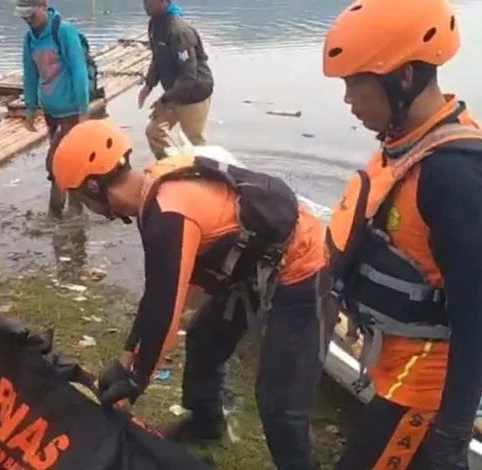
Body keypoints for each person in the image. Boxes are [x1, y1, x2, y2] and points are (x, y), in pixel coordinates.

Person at [51, 119, 333, 469]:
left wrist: (136, 381)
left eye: (80, 197)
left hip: (301, 265)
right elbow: (158, 294)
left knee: (280, 403)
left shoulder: (168, 214)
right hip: (251, 268)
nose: (87, 208)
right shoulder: (150, 192)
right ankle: (208, 423)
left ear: (93, 187)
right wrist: (124, 360)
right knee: (204, 338)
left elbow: (166, 315)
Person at [322, 0, 482, 468]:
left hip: (427, 383)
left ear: (404, 77)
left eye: (357, 85)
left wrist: (452, 433)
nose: (350, 101)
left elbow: (477, 313)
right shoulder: (405, 146)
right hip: (394, 363)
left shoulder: (453, 177)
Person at [18, 0, 90, 219]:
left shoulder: (64, 31)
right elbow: (30, 74)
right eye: (24, 16)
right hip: (51, 111)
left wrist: (83, 110)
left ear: (44, 6)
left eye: (31, 15)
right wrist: (30, 109)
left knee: (56, 161)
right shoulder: (30, 38)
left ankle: (57, 214)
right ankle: (73, 210)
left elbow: (79, 70)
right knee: (67, 160)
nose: (28, 20)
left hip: (71, 110)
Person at [139, 0, 213, 160]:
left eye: (150, 1)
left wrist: (165, 99)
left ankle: (204, 176)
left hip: (194, 92)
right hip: (175, 92)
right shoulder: (155, 25)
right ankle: (172, 165)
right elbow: (157, 57)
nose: (146, 4)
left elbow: (189, 75)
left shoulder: (179, 31)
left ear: (164, 2)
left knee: (194, 142)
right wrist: (148, 85)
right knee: (154, 131)